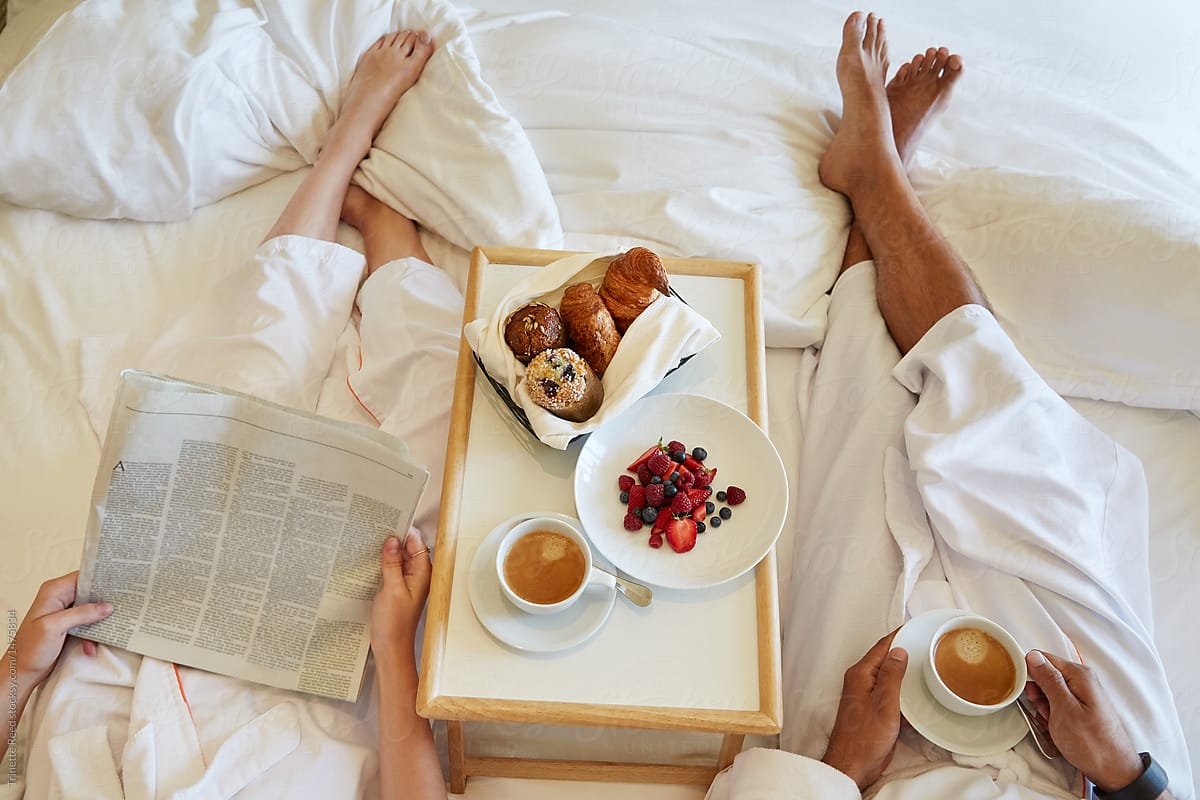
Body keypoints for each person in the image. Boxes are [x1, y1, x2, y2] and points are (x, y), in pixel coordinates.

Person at [710, 11, 1188, 800]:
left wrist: (841, 769)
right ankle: (878, 171)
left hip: (874, 776)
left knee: (859, 436)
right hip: (1082, 769)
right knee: (1003, 423)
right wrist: (1124, 772)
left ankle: (873, 169)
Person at [2, 30, 454, 799]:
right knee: (445, 434)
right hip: (327, 690)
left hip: (129, 658)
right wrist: (393, 652)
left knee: (232, 387)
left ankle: (339, 157)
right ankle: (384, 224)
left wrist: (19, 668)